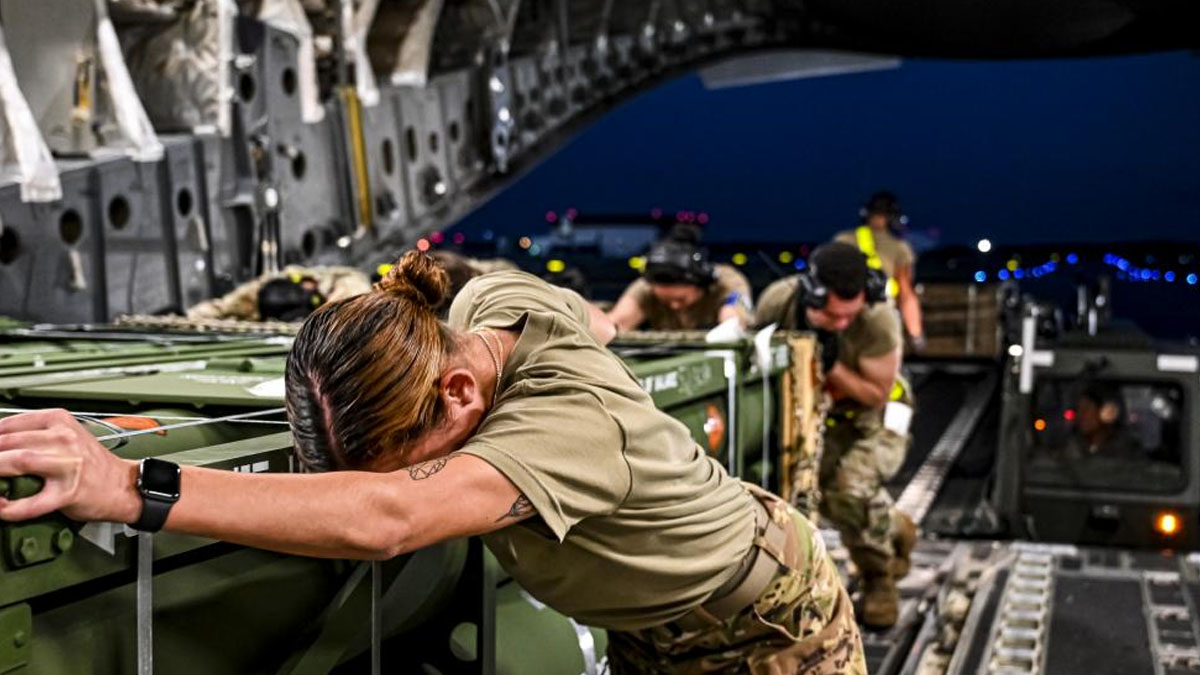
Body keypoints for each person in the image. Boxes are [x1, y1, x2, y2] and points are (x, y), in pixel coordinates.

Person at [0, 251, 865, 673]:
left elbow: (389, 518)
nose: (389, 479)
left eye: (397, 458)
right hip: (654, 622)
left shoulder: (566, 426)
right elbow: (589, 321)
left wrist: (125, 483)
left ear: (456, 394)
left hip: (766, 626)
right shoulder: (490, 307)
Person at [754, 242, 917, 629]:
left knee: (848, 491)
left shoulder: (878, 319)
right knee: (801, 491)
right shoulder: (781, 301)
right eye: (832, 315)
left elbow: (875, 393)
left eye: (849, 316)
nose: (843, 323)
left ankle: (879, 577)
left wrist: (827, 361)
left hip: (873, 419)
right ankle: (893, 525)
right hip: (810, 412)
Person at [608, 229, 753, 332]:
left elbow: (734, 321)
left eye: (681, 299)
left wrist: (730, 321)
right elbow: (617, 323)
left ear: (701, 286)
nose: (674, 306)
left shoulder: (725, 282)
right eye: (665, 301)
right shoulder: (646, 287)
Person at [835, 191, 925, 349]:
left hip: (844, 319)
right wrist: (916, 334)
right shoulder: (899, 248)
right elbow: (906, 294)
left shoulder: (844, 240)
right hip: (881, 318)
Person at [186, 265, 372, 322]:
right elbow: (221, 308)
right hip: (265, 312)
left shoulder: (350, 285)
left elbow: (352, 299)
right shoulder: (263, 291)